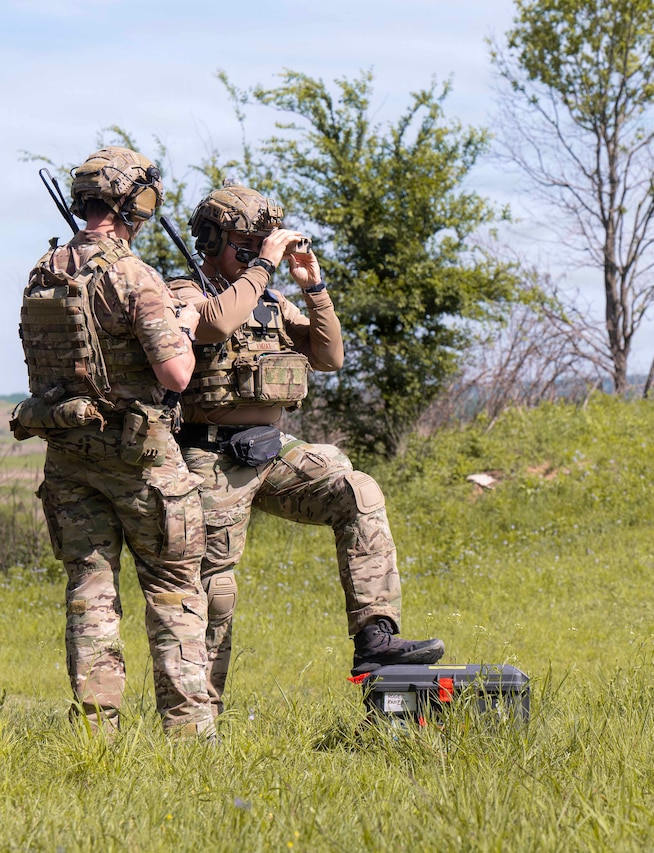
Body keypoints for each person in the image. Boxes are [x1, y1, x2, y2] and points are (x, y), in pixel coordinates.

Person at [168, 180, 443, 715]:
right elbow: (215, 324)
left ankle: (375, 639)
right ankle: (199, 717)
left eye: (260, 243)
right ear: (212, 240)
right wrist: (261, 269)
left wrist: (314, 288)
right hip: (212, 458)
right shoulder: (185, 291)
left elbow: (329, 354)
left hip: (269, 449)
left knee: (357, 492)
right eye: (245, 244)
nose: (256, 252)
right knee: (214, 591)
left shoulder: (269, 296)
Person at [15, 147, 213, 737]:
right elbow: (177, 374)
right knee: (175, 591)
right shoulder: (135, 275)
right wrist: (184, 323)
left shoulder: (44, 269)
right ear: (138, 203)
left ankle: (98, 733)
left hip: (69, 456)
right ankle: (189, 734)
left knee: (90, 591)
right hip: (141, 459)